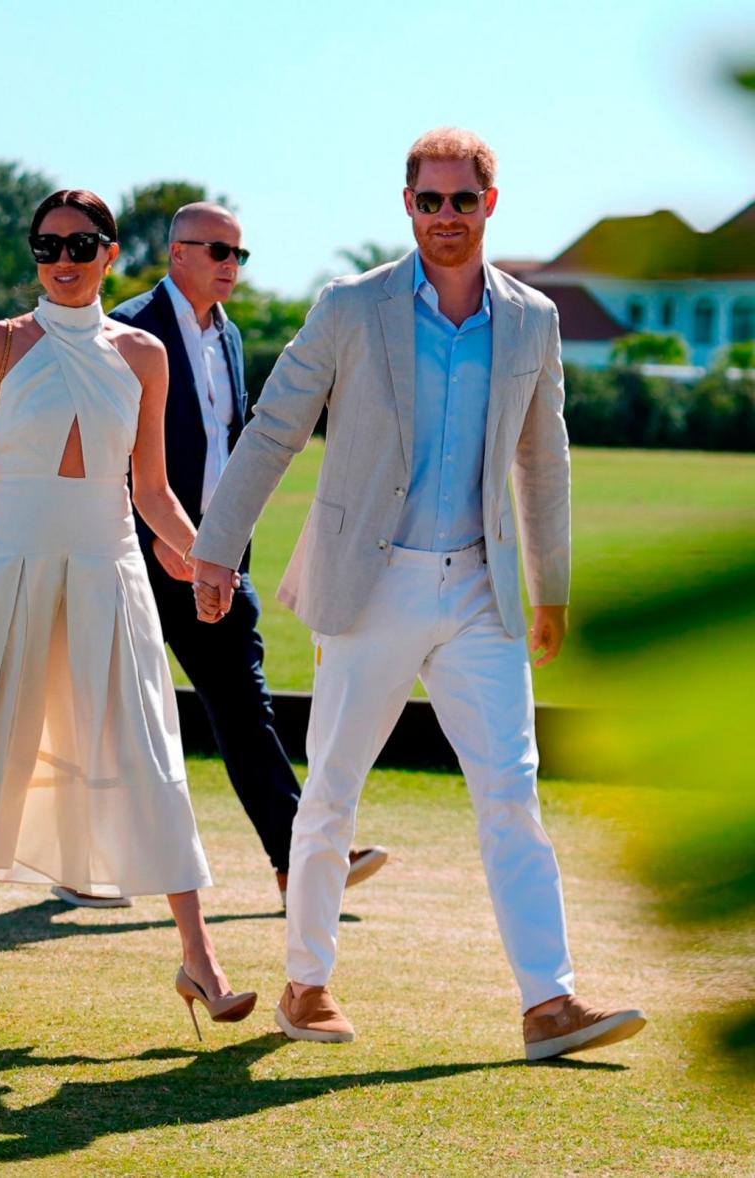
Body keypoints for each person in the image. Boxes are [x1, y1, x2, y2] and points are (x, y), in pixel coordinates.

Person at [191, 129, 646, 1059]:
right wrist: (216, 550)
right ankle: (307, 984)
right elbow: (276, 428)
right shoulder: (350, 308)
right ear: (407, 206)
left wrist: (549, 590)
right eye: (430, 201)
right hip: (373, 583)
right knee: (332, 793)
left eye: (462, 201)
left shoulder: (533, 319)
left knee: (513, 793)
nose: (447, 216)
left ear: (491, 202)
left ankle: (548, 1004)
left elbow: (543, 459)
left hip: (481, 590)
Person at [0, 189, 256, 1038]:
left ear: (110, 253)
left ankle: (199, 960)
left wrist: (205, 562)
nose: (63, 260)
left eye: (81, 244)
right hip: (14, 566)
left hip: (112, 571)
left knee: (150, 750)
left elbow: (153, 491)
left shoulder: (142, 356)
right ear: (35, 254)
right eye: (48, 245)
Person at [53, 201, 384, 912]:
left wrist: (217, 547)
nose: (232, 267)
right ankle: (81, 863)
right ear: (177, 253)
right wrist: (162, 543)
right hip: (131, 552)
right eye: (219, 252)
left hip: (213, 555)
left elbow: (231, 447)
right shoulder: (129, 330)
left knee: (242, 699)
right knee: (115, 705)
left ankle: (297, 861)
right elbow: (101, 454)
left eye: (240, 255)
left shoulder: (229, 337)